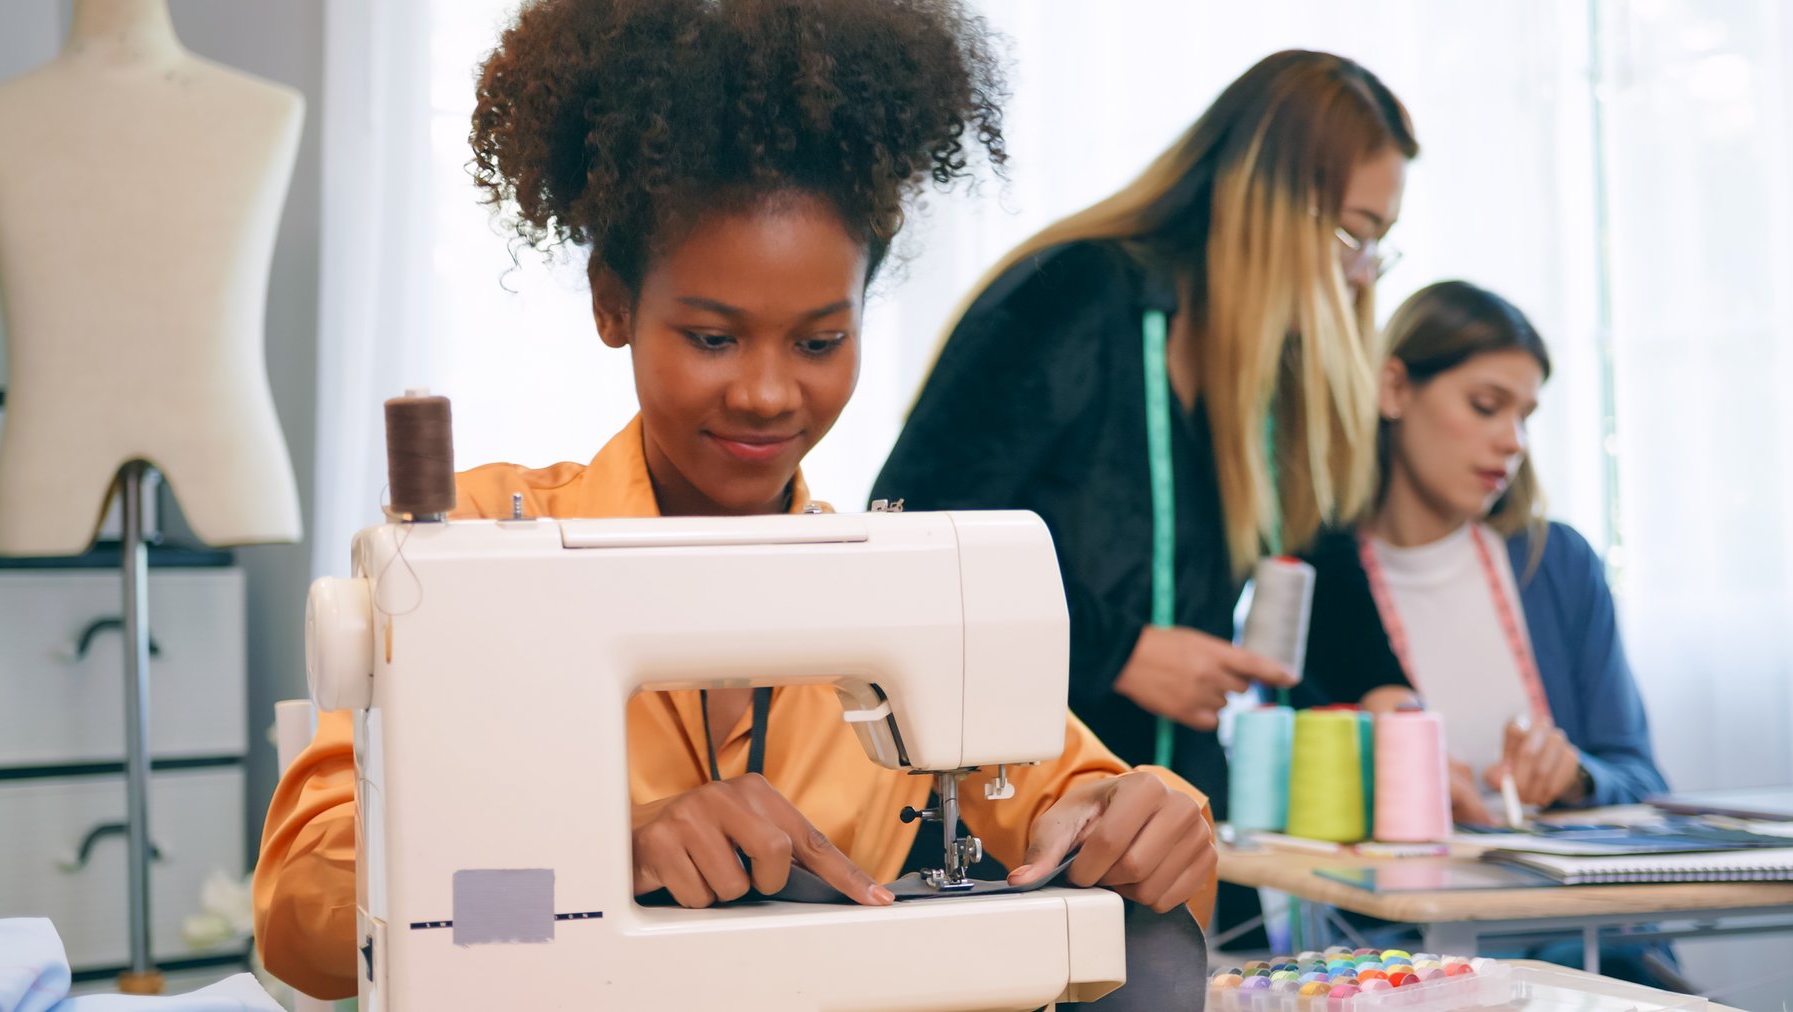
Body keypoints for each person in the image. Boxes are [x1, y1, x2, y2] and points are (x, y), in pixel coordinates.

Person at [254, 0, 1217, 1000]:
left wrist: (1132, 814)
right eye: (714, 338)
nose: (766, 392)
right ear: (613, 302)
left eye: (819, 342)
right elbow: (299, 910)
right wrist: (609, 850)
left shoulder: (906, 594)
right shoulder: (471, 550)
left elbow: (1083, 802)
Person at [872, 51, 1416, 870]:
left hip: (1175, 823)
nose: (1362, 276)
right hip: (1016, 818)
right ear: (1271, 206)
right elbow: (917, 534)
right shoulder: (1069, 296)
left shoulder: (1268, 363)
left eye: (1378, 245)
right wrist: (1118, 650)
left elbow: (1318, 549)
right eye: (1354, 236)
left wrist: (1392, 703)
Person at [1297, 280, 1666, 820]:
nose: (1514, 441)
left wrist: (1578, 776)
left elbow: (1642, 779)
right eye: (1486, 406)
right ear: (1393, 389)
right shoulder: (1315, 587)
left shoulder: (1557, 563)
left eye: (1524, 417)